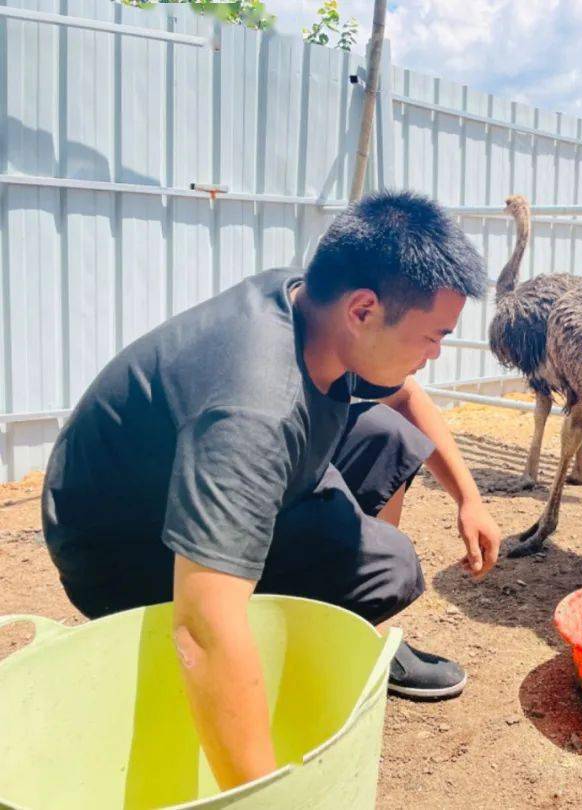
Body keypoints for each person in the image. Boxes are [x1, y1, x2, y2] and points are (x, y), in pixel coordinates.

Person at [41, 190, 502, 790]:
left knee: (386, 436)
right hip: (119, 551)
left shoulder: (312, 302)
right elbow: (200, 632)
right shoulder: (254, 410)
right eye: (431, 337)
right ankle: (299, 641)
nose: (435, 355)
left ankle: (341, 631)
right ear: (363, 311)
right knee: (387, 565)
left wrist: (469, 496)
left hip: (156, 480)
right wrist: (267, 798)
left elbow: (406, 398)